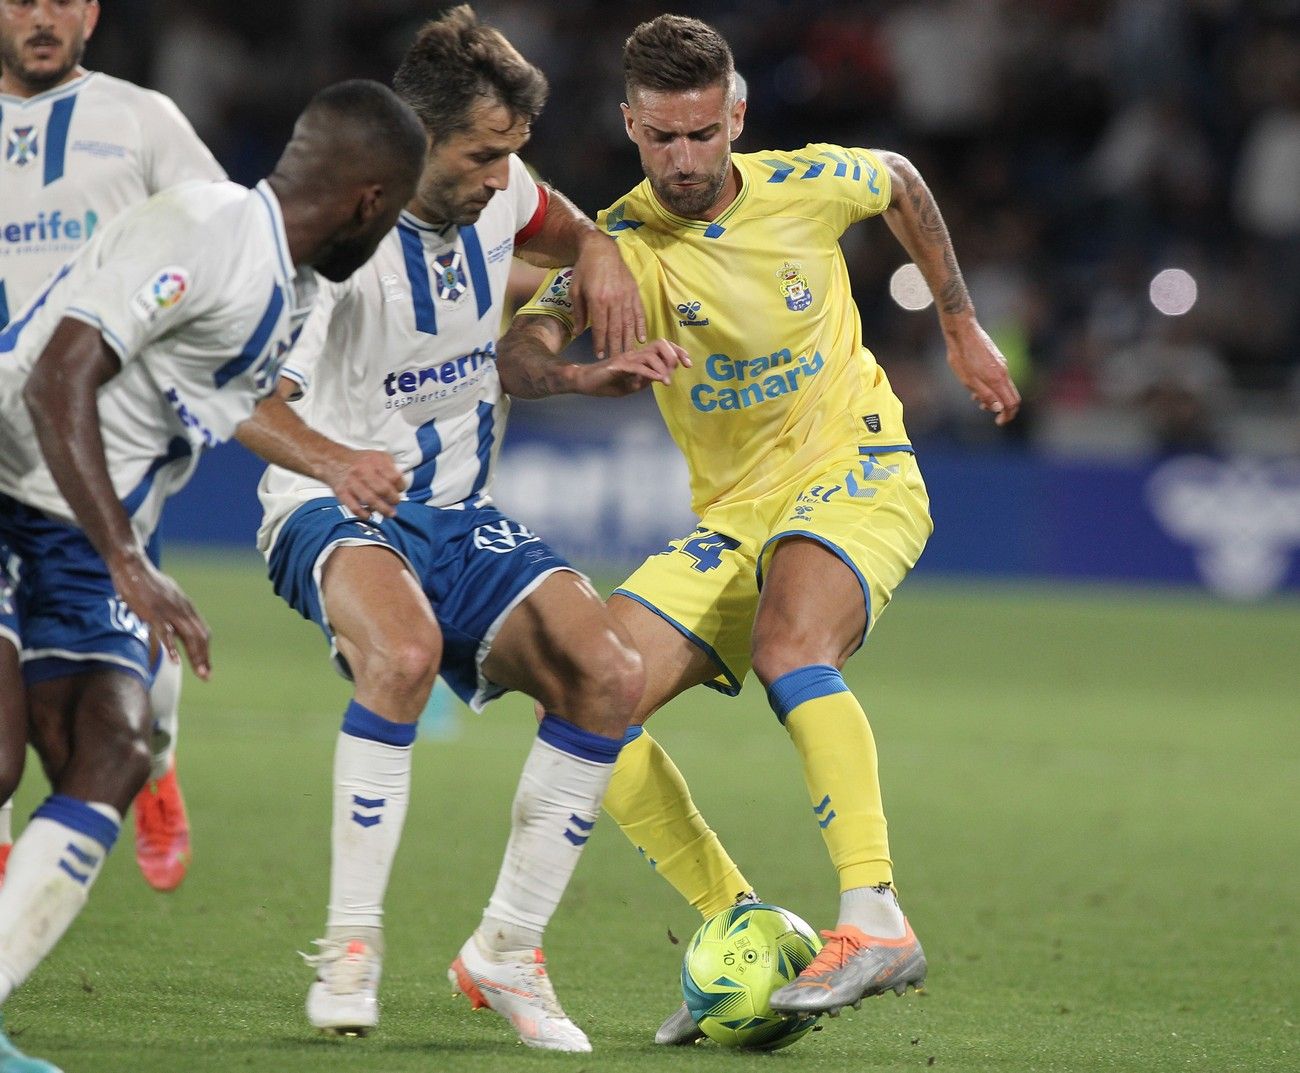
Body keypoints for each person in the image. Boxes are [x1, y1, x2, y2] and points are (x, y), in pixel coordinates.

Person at [501, 13, 1022, 1044]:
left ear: (734, 116)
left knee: (793, 640)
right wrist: (580, 370)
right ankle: (740, 923)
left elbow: (902, 180)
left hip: (854, 468)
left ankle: (873, 915)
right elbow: (525, 346)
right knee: (584, 697)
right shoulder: (624, 244)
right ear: (630, 125)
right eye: (662, 137)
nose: (684, 159)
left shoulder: (804, 185)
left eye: (702, 133)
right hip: (735, 518)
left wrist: (958, 324)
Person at [244, 7, 683, 1054]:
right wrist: (338, 461)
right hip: (332, 504)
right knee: (401, 652)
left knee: (609, 673)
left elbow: (553, 251)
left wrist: (598, 264)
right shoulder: (332, 241)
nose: (501, 179)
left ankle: (506, 948)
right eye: (482, 156)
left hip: (457, 510)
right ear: (414, 140)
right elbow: (249, 404)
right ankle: (350, 943)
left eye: (512, 156)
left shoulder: (502, 194)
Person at [0, 78, 426, 1073]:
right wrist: (129, 558)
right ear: (370, 201)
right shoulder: (206, 223)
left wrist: (330, 459)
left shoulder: (294, 290)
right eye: (395, 209)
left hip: (72, 522)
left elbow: (228, 403)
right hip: (11, 480)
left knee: (115, 745)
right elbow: (66, 369)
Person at [0, 0, 226, 892]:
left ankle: (159, 772)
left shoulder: (141, 122)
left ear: (92, 12)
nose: (42, 16)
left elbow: (225, 241)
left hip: (98, 456)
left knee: (135, 653)